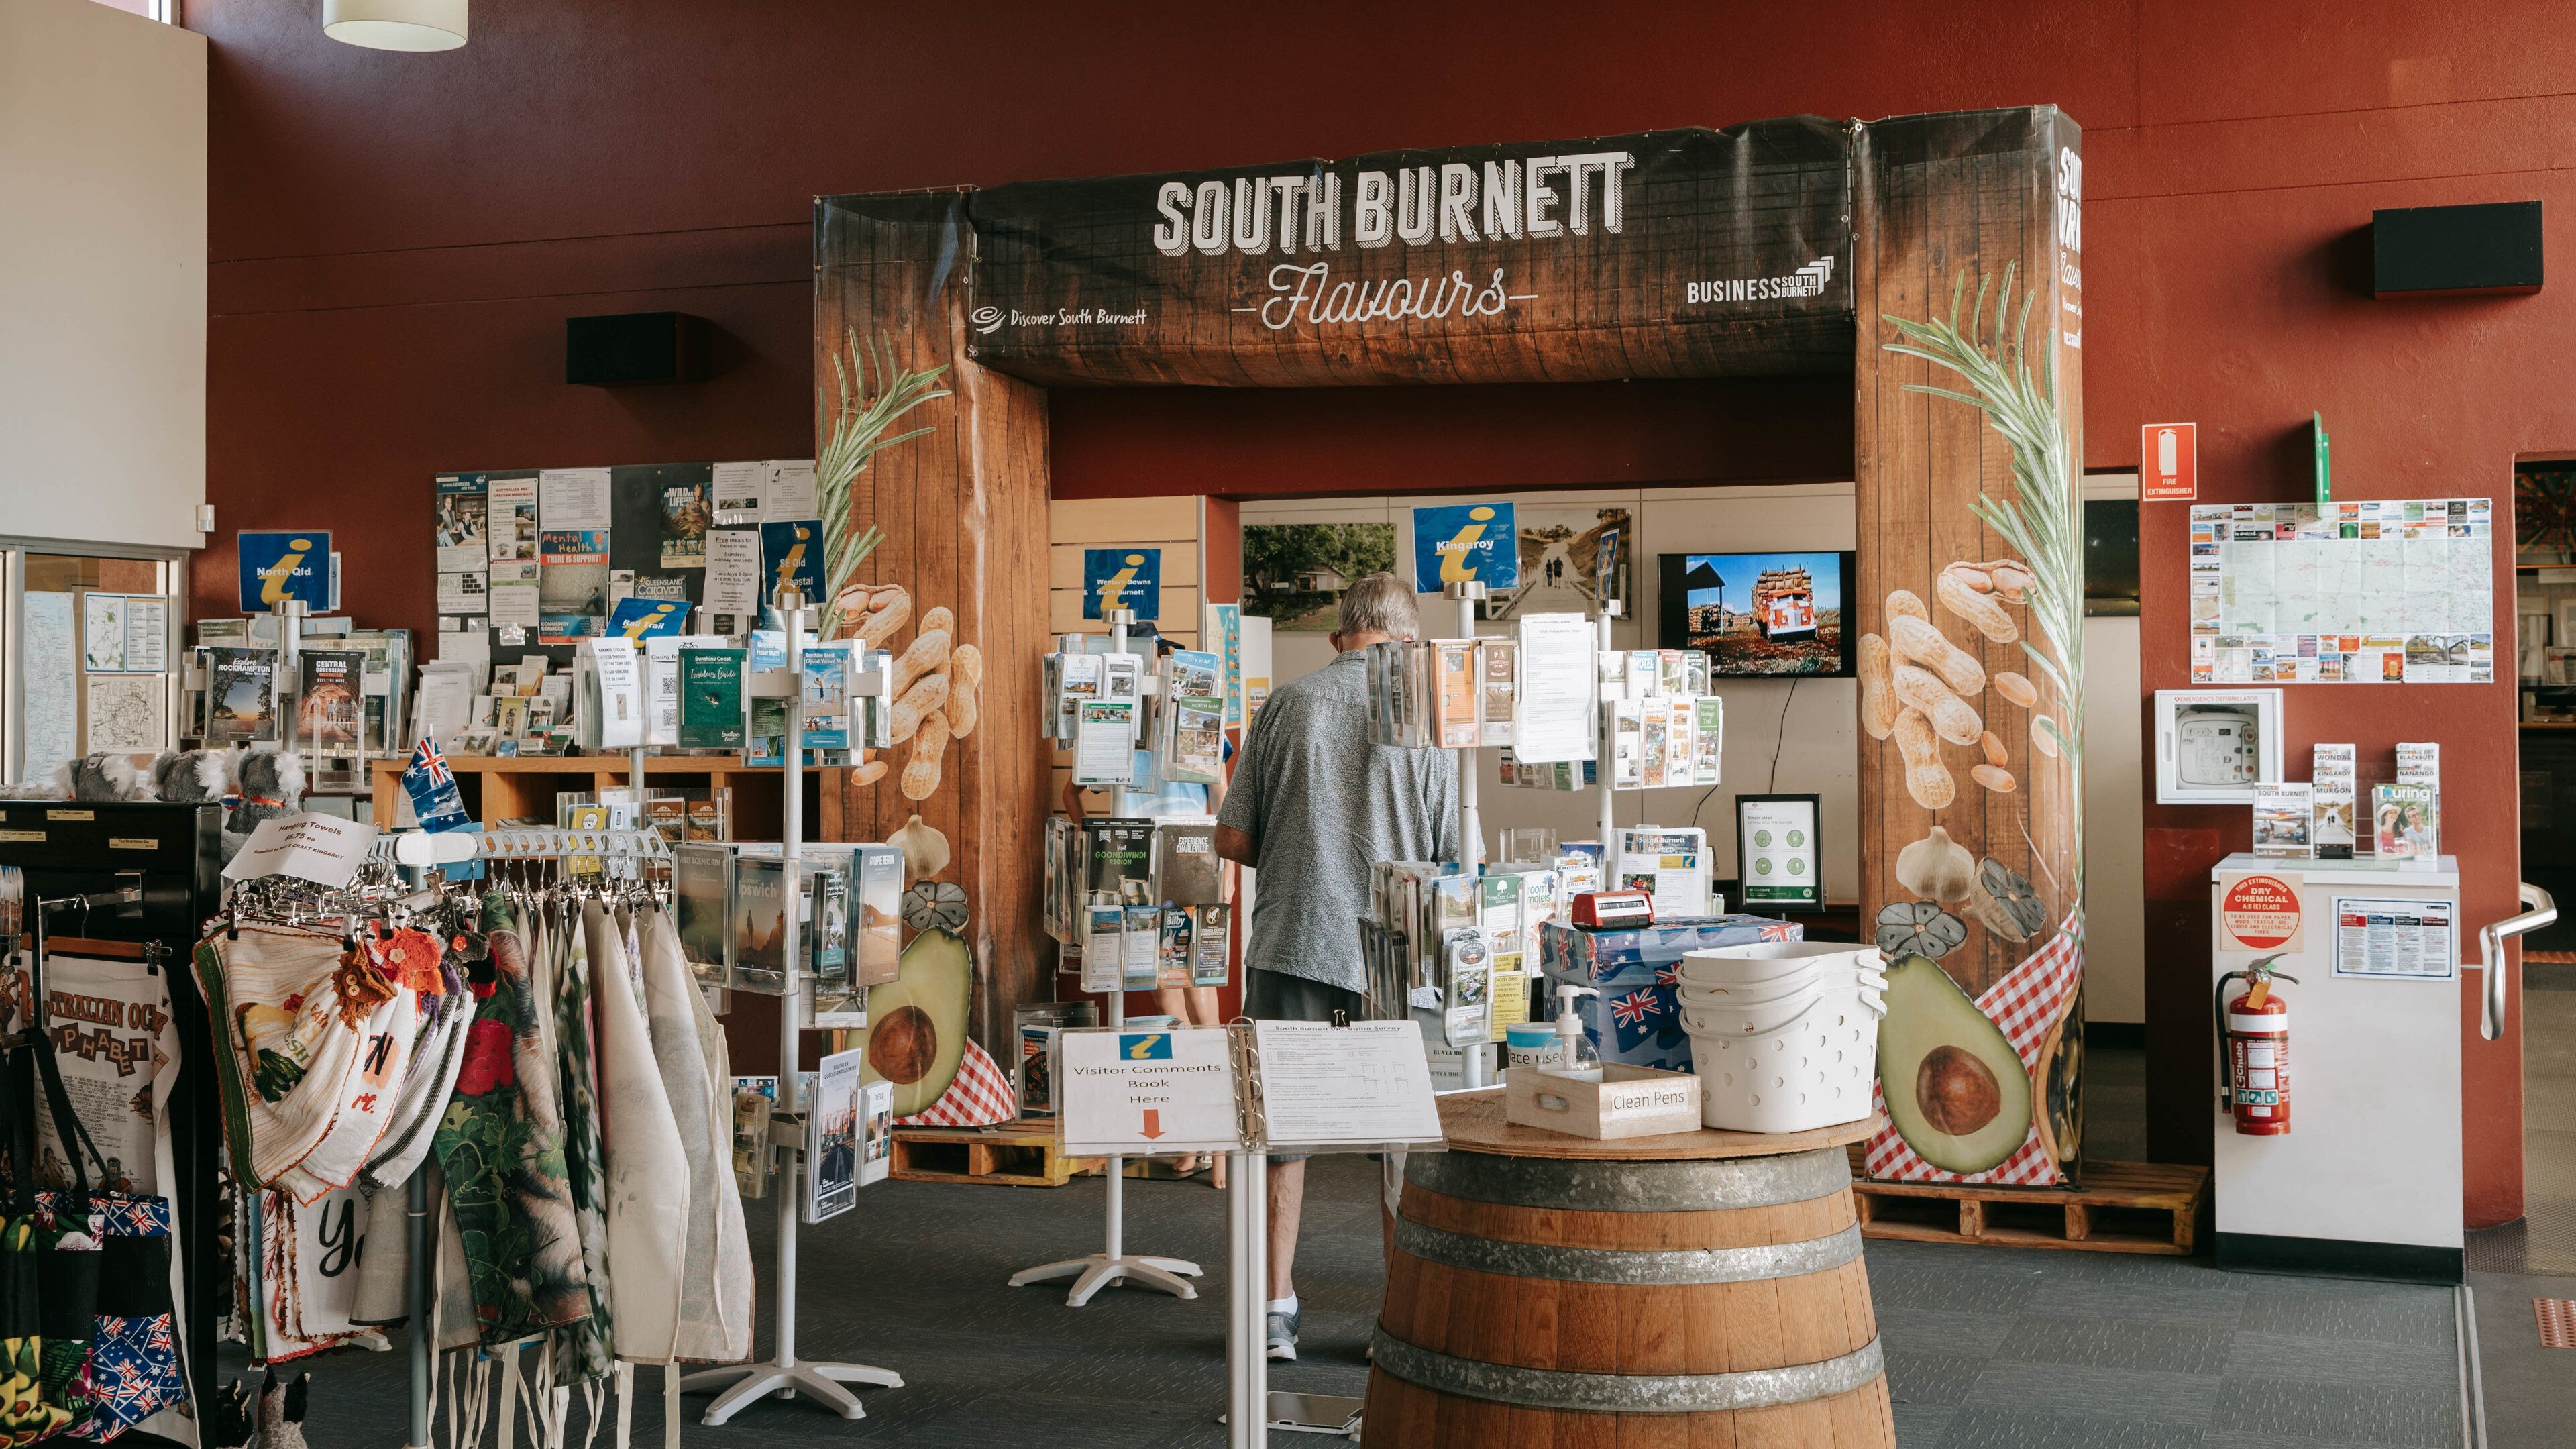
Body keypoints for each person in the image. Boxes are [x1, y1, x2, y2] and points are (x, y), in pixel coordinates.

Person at [1216, 573, 1459, 1360]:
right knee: (1400, 1139)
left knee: (1278, 1135)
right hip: (1396, 952)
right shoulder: (1426, 717)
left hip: (1293, 939)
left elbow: (1232, 839)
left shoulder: (1287, 704)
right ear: (1410, 643)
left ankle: (1273, 1313)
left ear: (1337, 638)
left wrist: (1304, 850)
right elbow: (1450, 859)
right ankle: (1396, 1313)